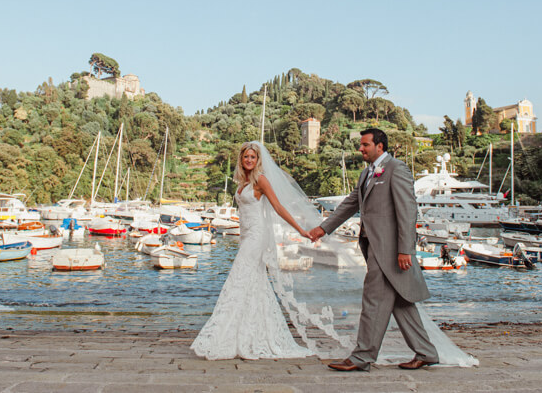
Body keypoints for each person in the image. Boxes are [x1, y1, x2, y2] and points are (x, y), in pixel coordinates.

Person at [308, 128, 471, 371]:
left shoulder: (397, 169)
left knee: (373, 301)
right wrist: (323, 229)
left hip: (391, 251)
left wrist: (406, 249)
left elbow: (407, 211)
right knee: (401, 303)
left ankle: (362, 357)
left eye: (365, 145)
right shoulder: (366, 174)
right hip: (373, 247)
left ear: (379, 146)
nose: (360, 149)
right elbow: (350, 204)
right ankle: (426, 352)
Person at [191, 141, 313, 360]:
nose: (249, 160)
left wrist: (300, 230)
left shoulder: (260, 180)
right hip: (246, 235)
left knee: (237, 279)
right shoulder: (241, 181)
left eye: (252, 157)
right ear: (241, 159)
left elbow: (278, 207)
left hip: (256, 237)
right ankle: (251, 333)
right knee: (253, 284)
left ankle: (228, 335)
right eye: (246, 157)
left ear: (258, 160)